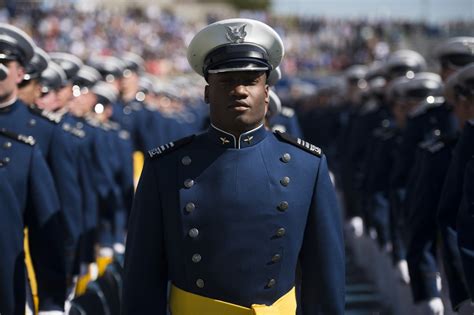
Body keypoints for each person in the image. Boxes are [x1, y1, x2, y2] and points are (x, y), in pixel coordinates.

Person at [122, 18, 345, 315]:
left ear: (267, 92)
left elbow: (324, 283)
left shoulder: (307, 166)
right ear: (206, 92)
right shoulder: (167, 167)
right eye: (226, 81)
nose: (239, 90)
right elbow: (141, 280)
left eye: (251, 80)